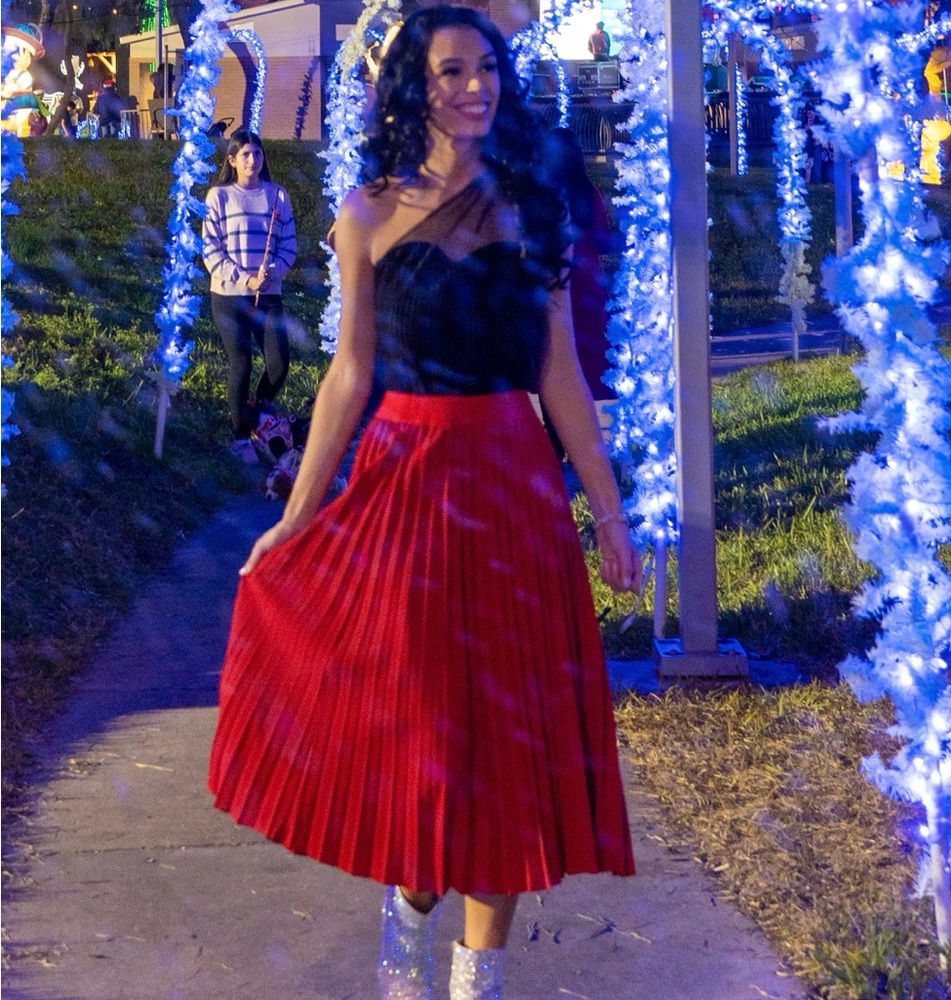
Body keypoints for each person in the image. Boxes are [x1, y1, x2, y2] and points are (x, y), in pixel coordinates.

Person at [207, 7, 640, 1000]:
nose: (474, 86)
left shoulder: (532, 206)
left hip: (514, 491)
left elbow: (559, 377)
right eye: (451, 71)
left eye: (486, 68)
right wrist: (297, 515)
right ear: (415, 85)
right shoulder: (363, 213)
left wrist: (606, 512)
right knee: (425, 737)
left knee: (508, 749)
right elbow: (347, 376)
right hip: (404, 487)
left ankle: (472, 982)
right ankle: (407, 917)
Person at [202, 128, 296, 453]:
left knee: (279, 363)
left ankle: (257, 411)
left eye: (257, 153)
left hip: (268, 294)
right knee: (241, 361)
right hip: (229, 295)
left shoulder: (278, 196)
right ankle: (241, 435)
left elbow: (288, 246)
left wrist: (273, 272)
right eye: (245, 154)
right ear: (232, 159)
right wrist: (245, 278)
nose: (253, 160)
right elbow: (211, 250)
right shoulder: (219, 196)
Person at [538, 127, 616, 457]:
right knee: (584, 359)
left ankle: (557, 436)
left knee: (554, 356)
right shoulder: (588, 193)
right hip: (587, 286)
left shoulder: (543, 195)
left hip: (556, 284)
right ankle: (582, 434)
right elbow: (602, 237)